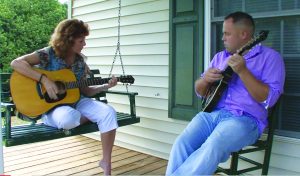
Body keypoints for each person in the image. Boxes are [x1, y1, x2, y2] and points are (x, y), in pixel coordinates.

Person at [166, 11, 285, 175]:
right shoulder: (220, 57)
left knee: (214, 144)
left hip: (245, 120)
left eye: (227, 33)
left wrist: (243, 71)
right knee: (182, 143)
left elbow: (269, 99)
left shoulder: (270, 58)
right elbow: (200, 91)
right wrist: (205, 80)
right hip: (211, 115)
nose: (223, 38)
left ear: (243, 34)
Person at [11, 19, 118, 175]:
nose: (84, 44)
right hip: (53, 107)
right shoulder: (48, 54)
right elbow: (16, 63)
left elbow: (85, 91)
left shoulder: (80, 61)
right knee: (67, 118)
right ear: (68, 40)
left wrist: (105, 86)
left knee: (108, 113)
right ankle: (51, 119)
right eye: (81, 40)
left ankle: (106, 163)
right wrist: (44, 80)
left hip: (77, 101)